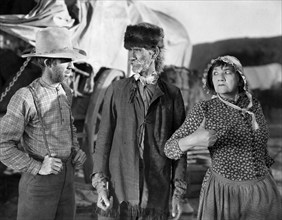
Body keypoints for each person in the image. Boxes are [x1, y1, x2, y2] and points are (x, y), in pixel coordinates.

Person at [164, 55, 282, 220]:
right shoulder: (205, 109)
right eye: (215, 73)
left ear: (240, 78)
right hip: (224, 194)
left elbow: (262, 150)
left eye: (227, 72)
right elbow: (169, 149)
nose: (220, 77)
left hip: (262, 193)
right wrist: (194, 140)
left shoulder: (253, 105)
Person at [91, 22, 187, 220]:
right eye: (130, 50)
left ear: (154, 53)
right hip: (121, 190)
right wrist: (101, 186)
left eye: (137, 50)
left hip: (157, 190)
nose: (131, 56)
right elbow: (103, 141)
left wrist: (177, 194)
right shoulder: (117, 90)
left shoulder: (172, 94)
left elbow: (180, 148)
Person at [0, 27, 87, 220]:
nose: (72, 66)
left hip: (67, 183)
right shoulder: (25, 97)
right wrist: (38, 167)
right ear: (48, 62)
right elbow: (3, 146)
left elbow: (68, 128)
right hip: (39, 186)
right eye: (66, 60)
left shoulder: (65, 91)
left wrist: (75, 150)